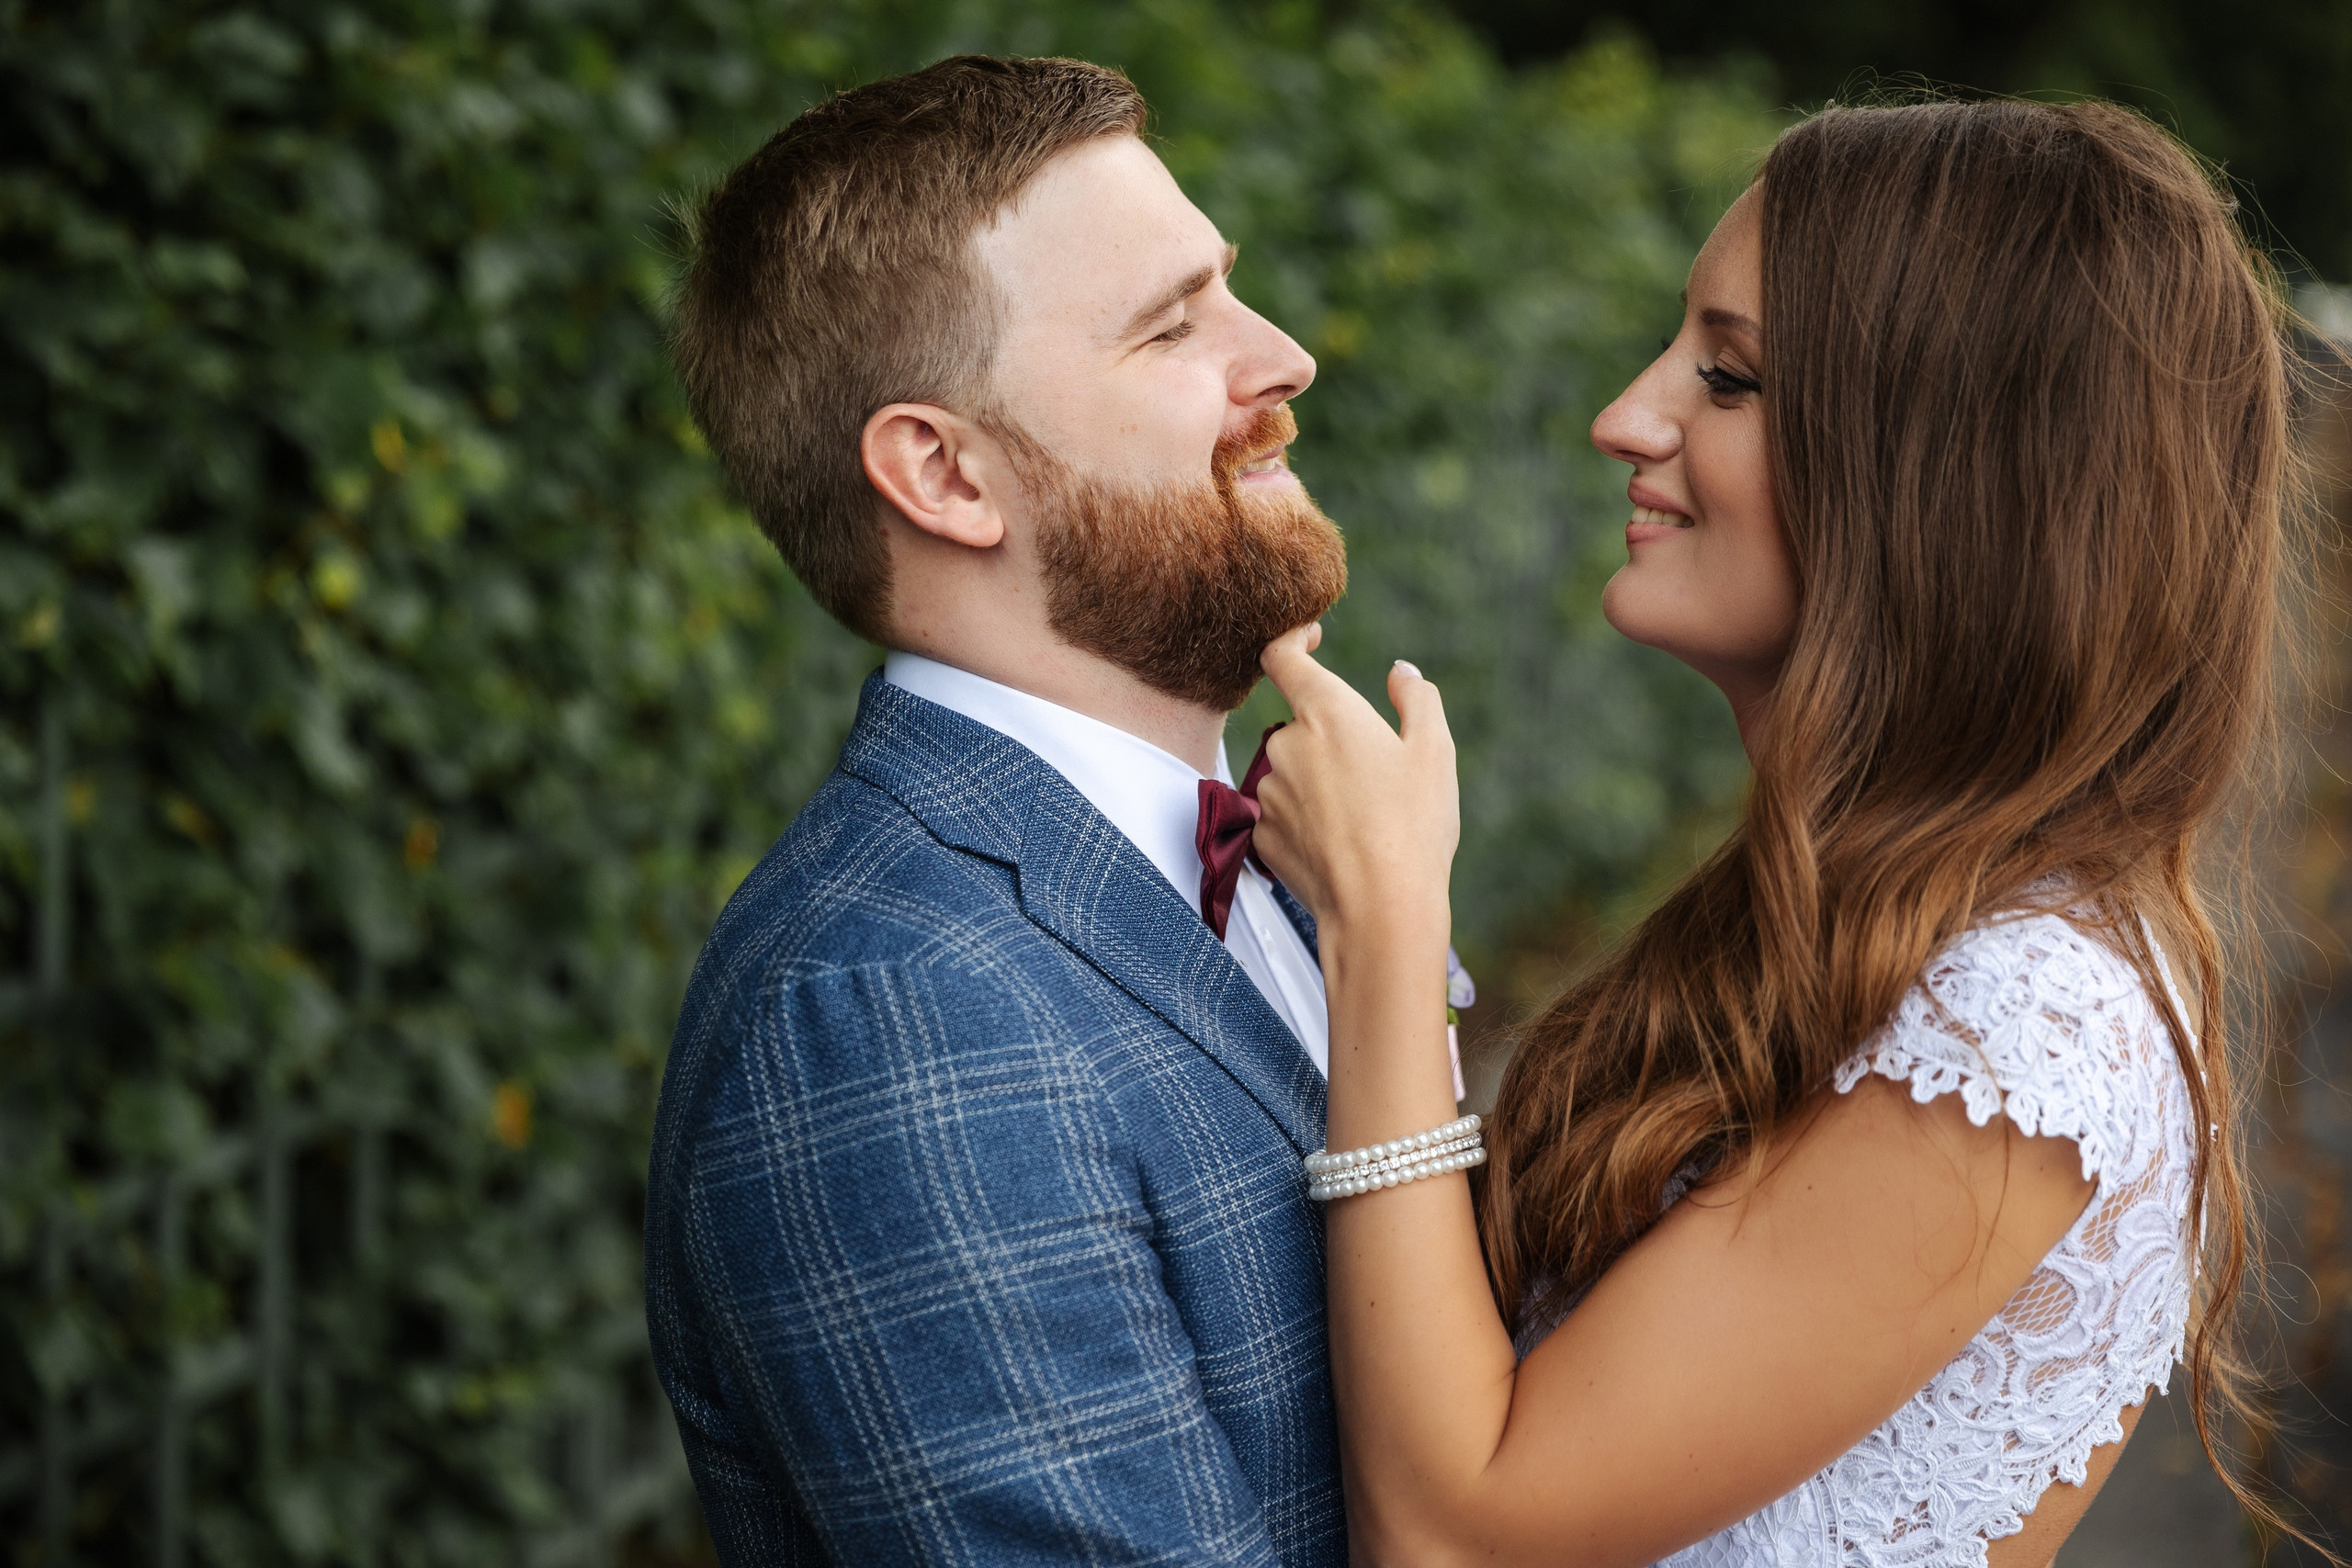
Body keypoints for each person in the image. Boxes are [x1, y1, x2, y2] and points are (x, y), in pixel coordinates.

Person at [1250, 99, 2291, 1566]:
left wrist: (1385, 924)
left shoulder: (2028, 1025)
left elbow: (1461, 1533)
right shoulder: (1844, 907)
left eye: (1728, 377)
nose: (1627, 416)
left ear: (1952, 482)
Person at [643, 54, 1363, 1566]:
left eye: (1230, 290)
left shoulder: (1307, 844)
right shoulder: (887, 1012)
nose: (1285, 357)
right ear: (946, 474)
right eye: (1172, 326)